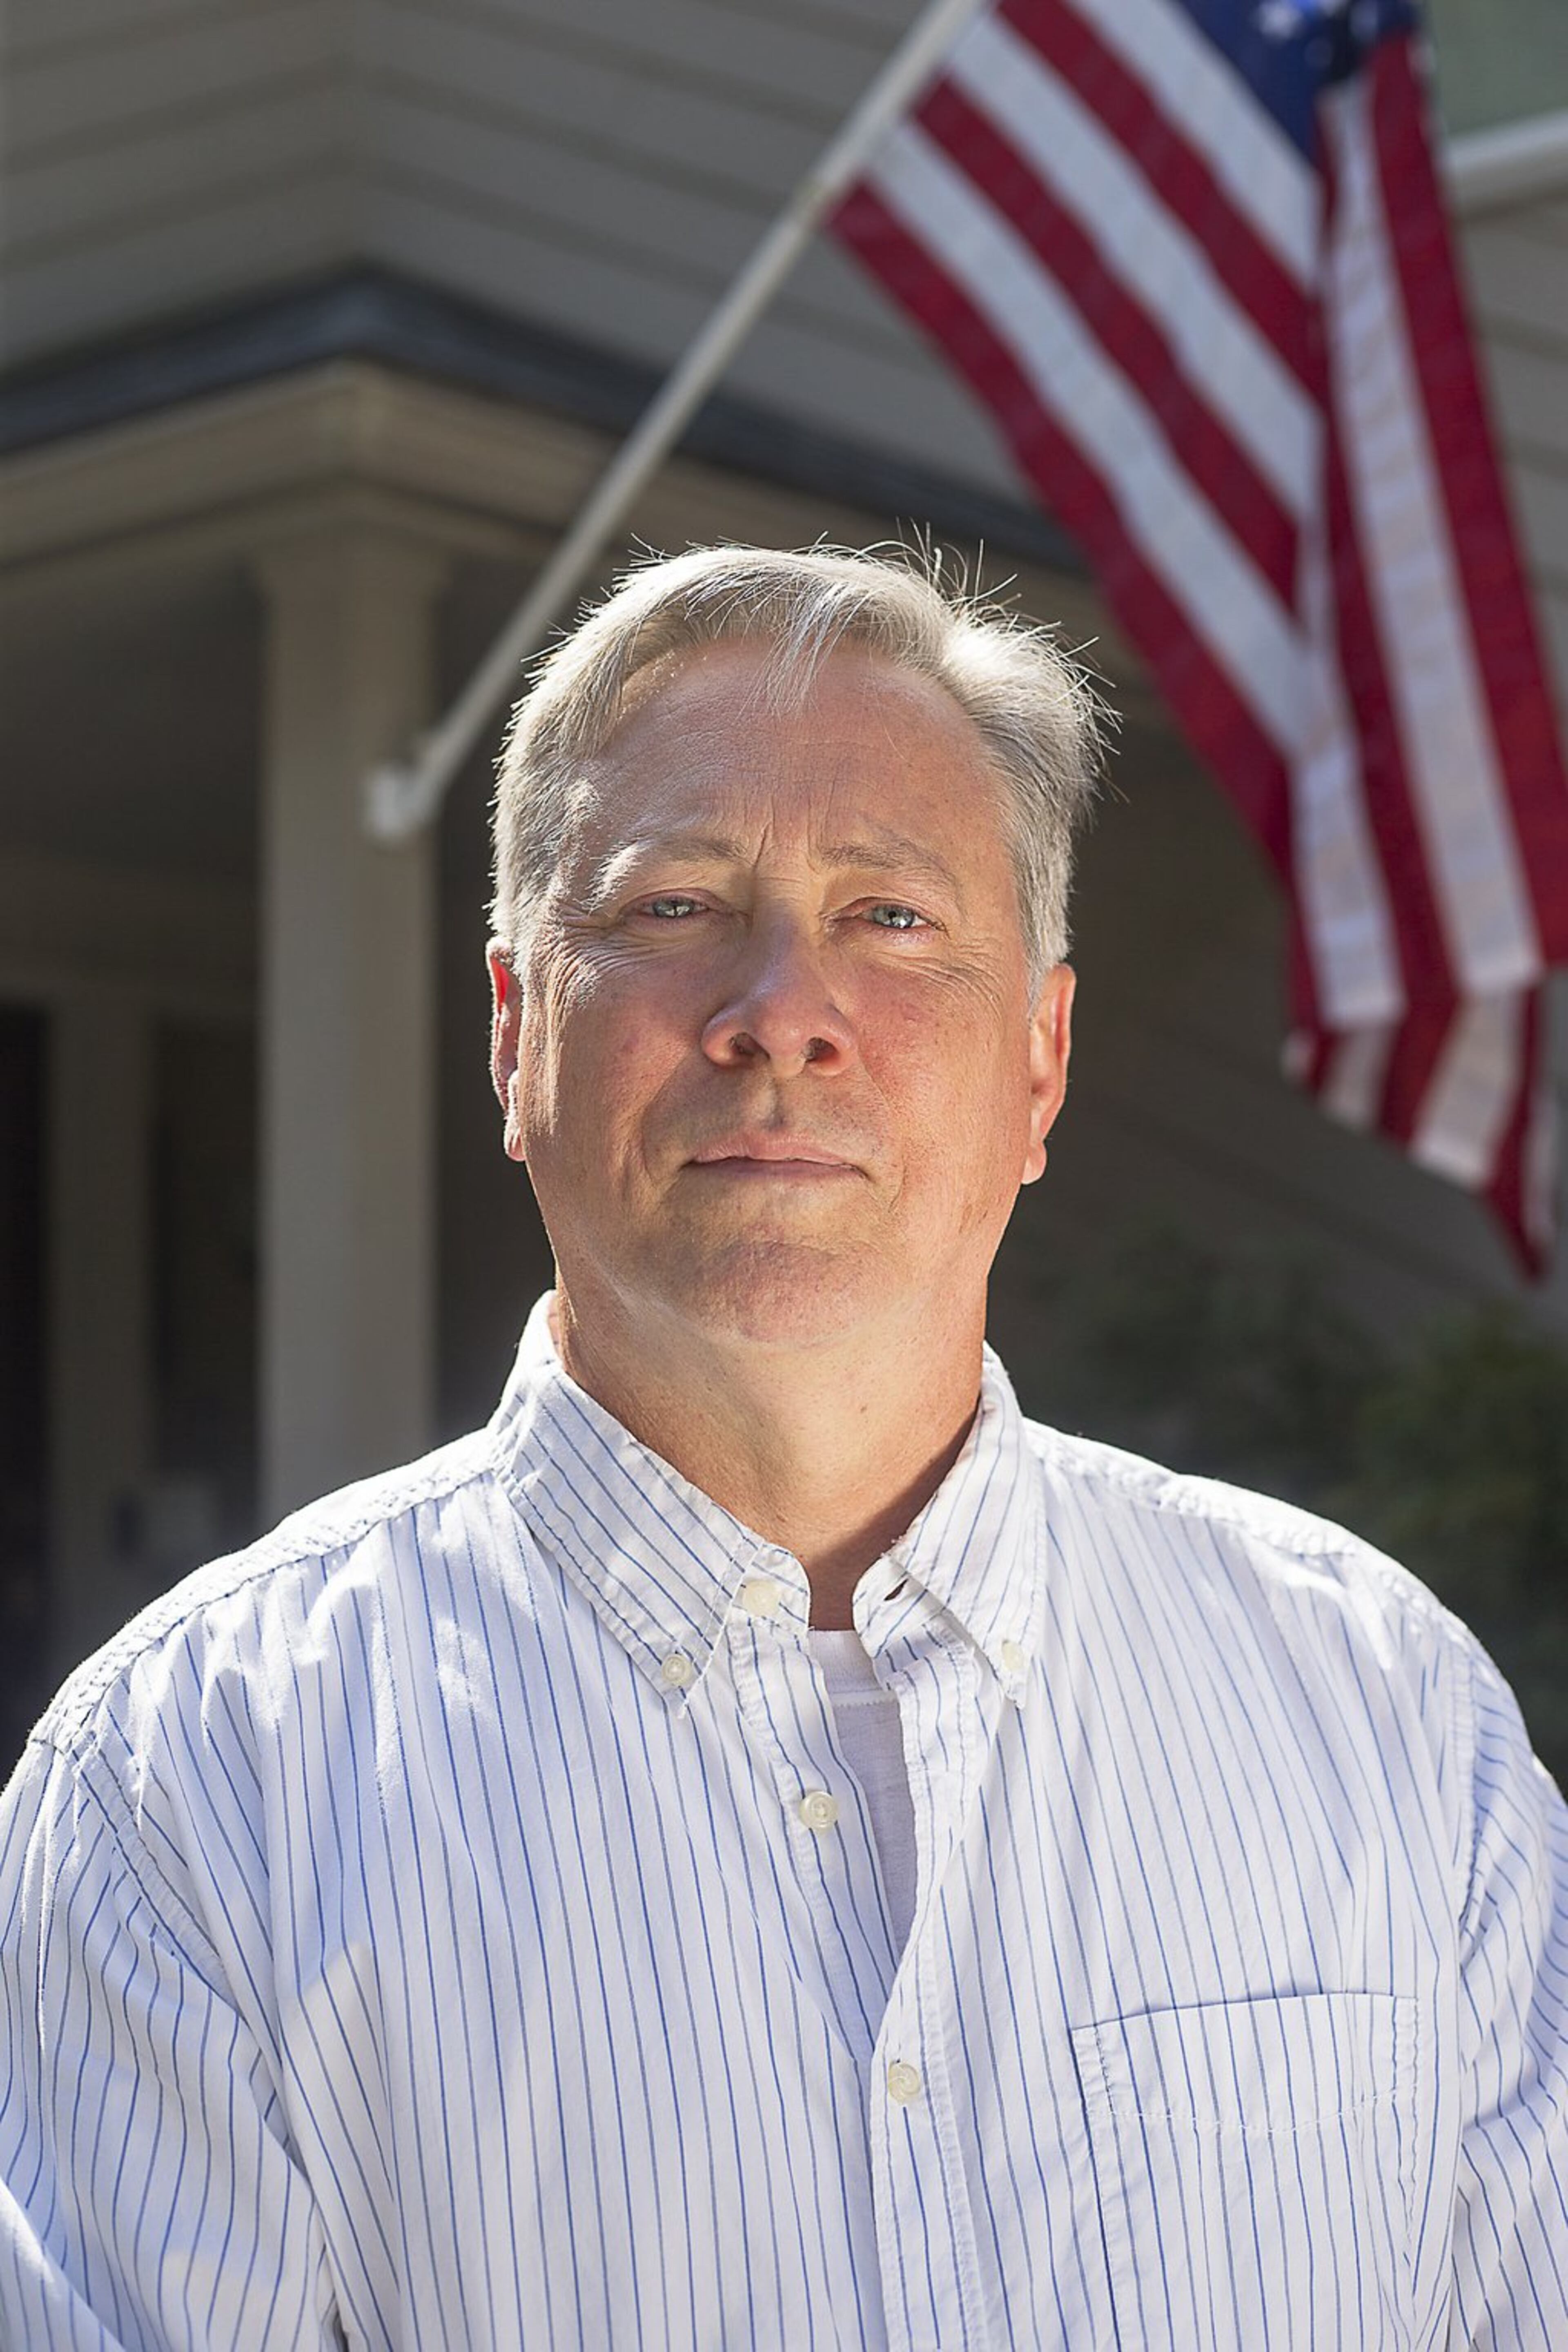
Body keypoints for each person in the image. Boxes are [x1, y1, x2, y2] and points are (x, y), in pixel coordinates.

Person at [2, 544, 1565, 2352]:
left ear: (1041, 1063)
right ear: (518, 1035)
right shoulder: (194, 1788)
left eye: (893, 920)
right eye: (673, 906)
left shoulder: (1382, 1715)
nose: (782, 1015)